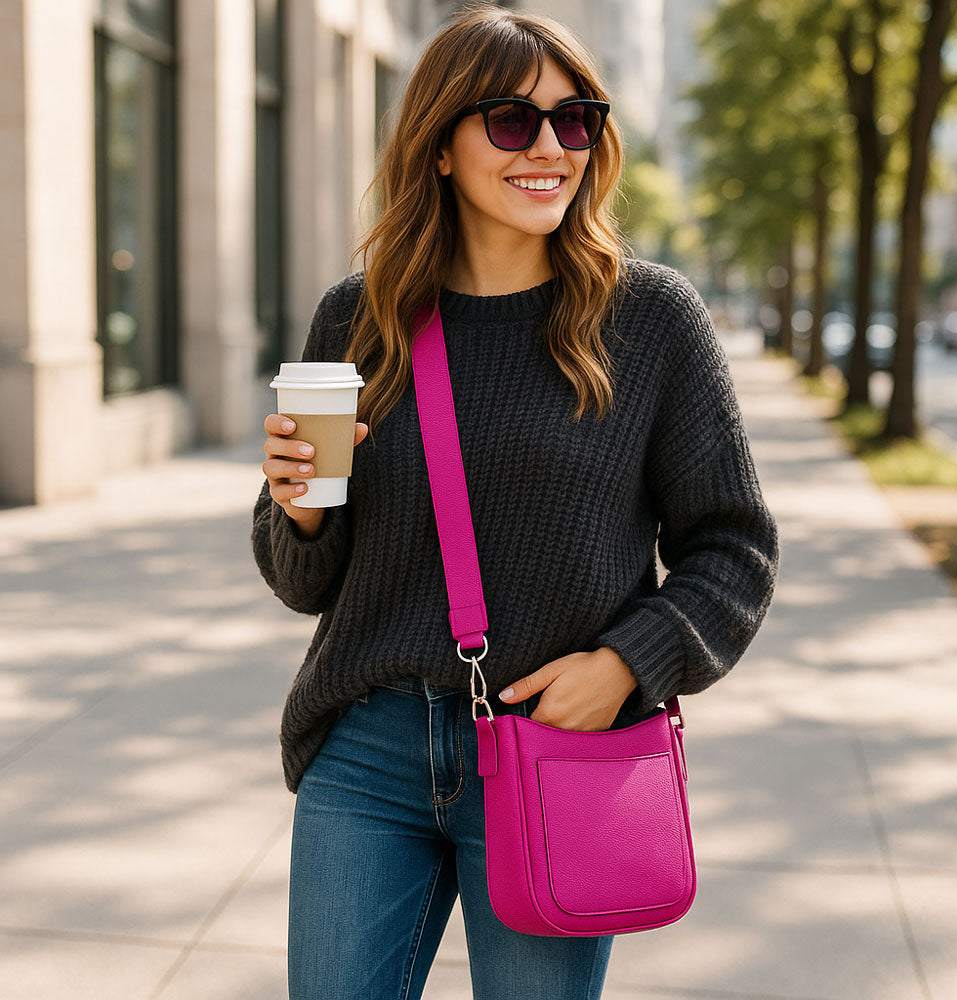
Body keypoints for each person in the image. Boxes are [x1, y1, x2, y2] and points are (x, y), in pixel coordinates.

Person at [252, 4, 779, 998]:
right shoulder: (359, 318)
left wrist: (627, 664)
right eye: (510, 121)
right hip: (369, 753)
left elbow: (734, 546)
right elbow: (302, 580)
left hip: (562, 756)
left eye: (573, 120)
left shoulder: (650, 319)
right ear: (439, 146)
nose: (549, 147)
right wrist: (300, 508)